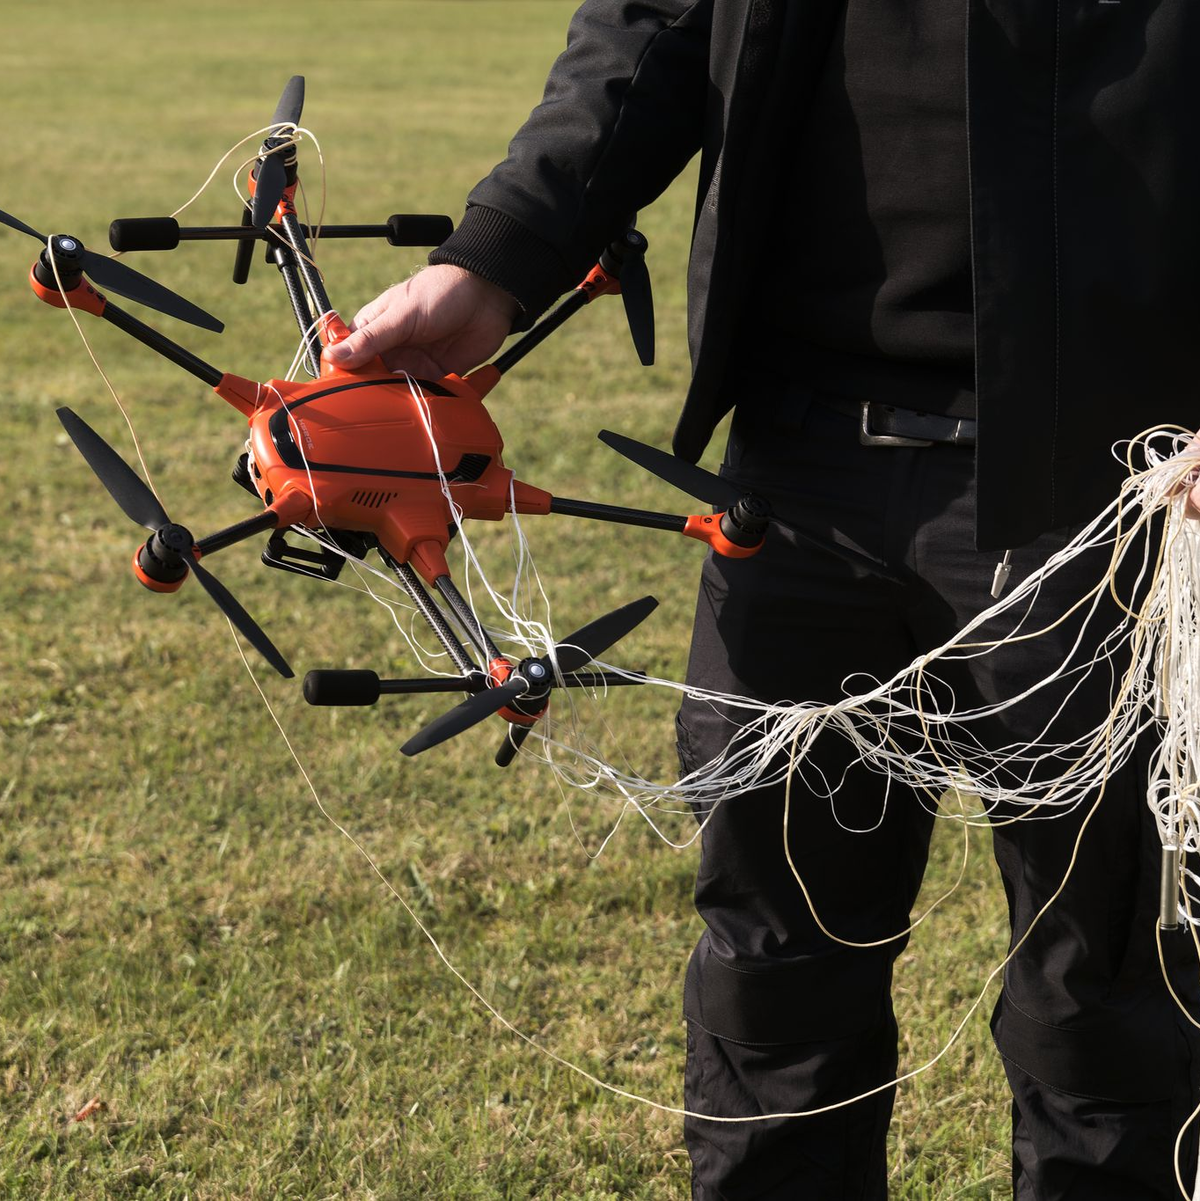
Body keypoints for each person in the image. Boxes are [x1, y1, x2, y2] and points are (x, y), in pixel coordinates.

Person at [324, 2, 1200, 1196]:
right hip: (798, 473)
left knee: (1104, 998)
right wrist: (498, 253)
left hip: (1104, 474)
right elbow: (654, 25)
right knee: (773, 975)